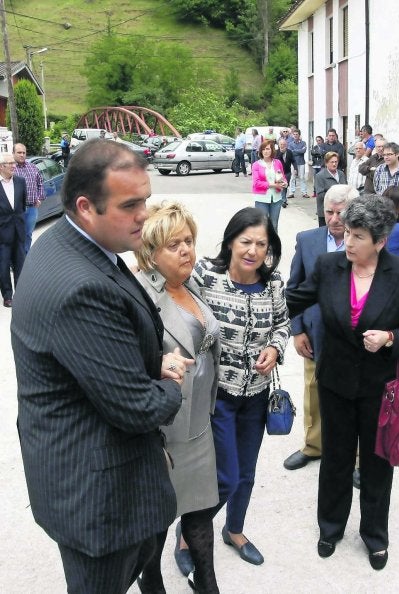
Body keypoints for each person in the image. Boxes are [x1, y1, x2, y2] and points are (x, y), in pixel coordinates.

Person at [11, 139, 192, 594]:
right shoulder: (79, 287)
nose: (145, 215)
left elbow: (95, 353)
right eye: (130, 205)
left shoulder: (68, 245)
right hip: (99, 503)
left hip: (85, 474)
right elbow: (136, 408)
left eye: (146, 199)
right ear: (86, 206)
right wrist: (169, 381)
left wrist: (148, 359)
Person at [286, 194, 399, 571]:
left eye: (357, 236)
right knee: (335, 459)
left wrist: (391, 339)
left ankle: (374, 536)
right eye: (346, 232)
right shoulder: (329, 265)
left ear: (380, 241)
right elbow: (293, 299)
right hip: (334, 382)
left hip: (381, 387)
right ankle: (329, 528)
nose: (347, 242)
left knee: (379, 464)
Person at [193, 207, 290, 567]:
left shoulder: (274, 283)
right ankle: (189, 534)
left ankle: (234, 530)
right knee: (224, 476)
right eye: (246, 241)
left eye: (261, 244)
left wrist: (274, 348)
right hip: (217, 396)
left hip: (257, 396)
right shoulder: (207, 275)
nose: (253, 251)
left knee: (246, 473)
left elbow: (283, 323)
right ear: (231, 241)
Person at [135, 203, 220, 594]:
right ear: (150, 253)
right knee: (157, 522)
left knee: (201, 513)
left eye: (189, 241)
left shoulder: (192, 285)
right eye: (174, 244)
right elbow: (123, 361)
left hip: (198, 423)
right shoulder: (141, 297)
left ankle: (206, 582)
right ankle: (152, 584)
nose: (187, 250)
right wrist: (155, 360)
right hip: (164, 431)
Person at [283, 184, 359, 473]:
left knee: (355, 394)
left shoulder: (364, 243)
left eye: (341, 212)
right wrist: (298, 330)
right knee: (313, 390)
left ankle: (357, 457)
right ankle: (314, 445)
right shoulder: (308, 240)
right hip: (315, 334)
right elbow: (295, 288)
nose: (335, 218)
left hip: (354, 336)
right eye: (329, 211)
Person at [0, 153, 27, 307]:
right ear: (1, 167)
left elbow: (22, 206)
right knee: (3, 267)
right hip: (2, 233)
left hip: (18, 231)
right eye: (9, 163)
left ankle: (21, 293)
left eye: (13, 162)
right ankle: (7, 296)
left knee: (20, 265)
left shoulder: (20, 182)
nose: (13, 165)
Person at [13, 143, 46, 253]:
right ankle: (16, 260)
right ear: (13, 153)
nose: (22, 155)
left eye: (24, 153)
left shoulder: (33, 167)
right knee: (16, 235)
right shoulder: (10, 169)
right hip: (16, 210)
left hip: (32, 208)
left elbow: (40, 183)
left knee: (28, 234)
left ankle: (25, 258)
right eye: (19, 152)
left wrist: (40, 198)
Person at [251, 140, 287, 231]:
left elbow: (282, 176)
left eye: (268, 149)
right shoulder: (256, 165)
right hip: (261, 198)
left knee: (274, 225)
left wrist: (285, 183)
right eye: (263, 149)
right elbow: (256, 183)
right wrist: (274, 185)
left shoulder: (277, 162)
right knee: (263, 226)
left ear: (272, 150)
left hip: (276, 198)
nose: (265, 151)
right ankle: (263, 244)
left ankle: (274, 245)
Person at [314, 152, 347, 227]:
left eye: (336, 162)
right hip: (326, 211)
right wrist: (336, 195)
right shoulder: (320, 176)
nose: (334, 164)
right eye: (332, 162)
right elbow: (320, 195)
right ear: (326, 163)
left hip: (340, 211)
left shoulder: (341, 174)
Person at [288, 129, 309, 198]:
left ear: (299, 135)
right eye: (294, 134)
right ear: (292, 135)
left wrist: (295, 151)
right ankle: (291, 192)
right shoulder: (290, 144)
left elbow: (303, 151)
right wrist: (298, 151)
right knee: (293, 177)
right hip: (293, 163)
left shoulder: (303, 143)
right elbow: (291, 152)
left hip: (301, 162)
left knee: (302, 177)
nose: (295, 135)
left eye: (297, 134)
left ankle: (304, 192)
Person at [276, 138, 294, 208]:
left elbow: (293, 160)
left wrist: (295, 168)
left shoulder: (289, 152)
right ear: (278, 145)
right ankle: (282, 200)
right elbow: (276, 159)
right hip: (279, 172)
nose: (282, 146)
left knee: (285, 186)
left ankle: (283, 199)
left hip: (287, 172)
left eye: (284, 144)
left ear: (286, 145)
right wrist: (281, 153)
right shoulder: (276, 152)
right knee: (280, 186)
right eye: (281, 144)